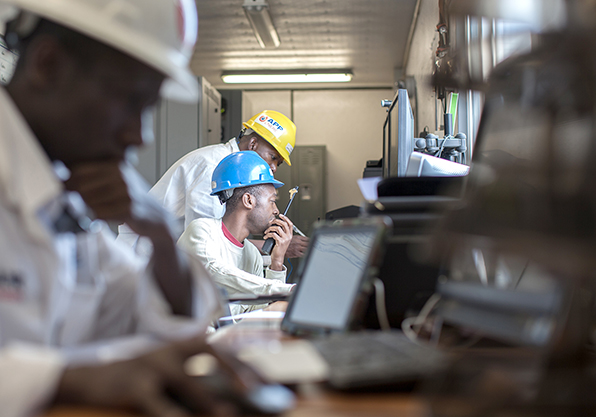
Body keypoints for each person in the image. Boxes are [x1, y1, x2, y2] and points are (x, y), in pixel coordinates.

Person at [0, 0, 261, 416]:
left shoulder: (64, 197)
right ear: (47, 65)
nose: (140, 136)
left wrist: (159, 233)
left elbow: (159, 321)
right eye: (130, 100)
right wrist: (69, 378)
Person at [117, 109, 309, 258]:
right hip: (140, 255)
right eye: (273, 157)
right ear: (252, 145)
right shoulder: (214, 167)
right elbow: (205, 240)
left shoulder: (236, 170)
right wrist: (275, 249)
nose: (274, 167)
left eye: (278, 163)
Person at [178, 151, 295, 316]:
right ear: (248, 200)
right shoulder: (202, 231)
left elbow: (261, 313)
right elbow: (215, 272)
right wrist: (289, 290)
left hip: (226, 337)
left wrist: (276, 261)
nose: (276, 211)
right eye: (272, 201)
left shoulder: (252, 255)